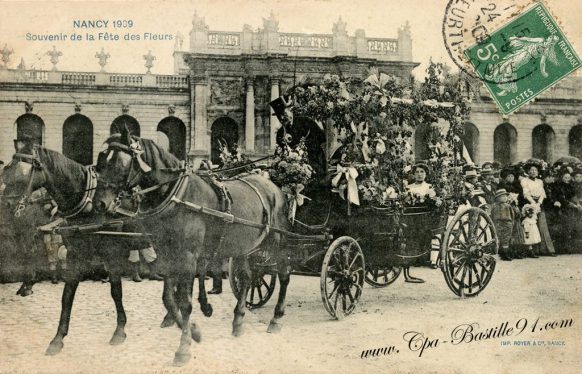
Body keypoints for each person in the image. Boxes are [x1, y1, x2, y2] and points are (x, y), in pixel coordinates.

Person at [402, 163, 441, 284]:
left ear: (426, 174)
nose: (419, 174)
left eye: (422, 172)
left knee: (423, 231)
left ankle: (425, 258)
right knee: (409, 233)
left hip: (425, 217)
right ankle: (412, 258)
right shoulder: (408, 187)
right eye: (417, 172)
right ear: (413, 174)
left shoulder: (430, 187)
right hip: (411, 217)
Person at [520, 162, 556, 256]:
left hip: (539, 204)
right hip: (529, 203)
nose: (533, 172)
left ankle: (547, 250)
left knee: (543, 225)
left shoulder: (540, 181)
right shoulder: (524, 180)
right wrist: (533, 204)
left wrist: (539, 203)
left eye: (535, 170)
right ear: (528, 171)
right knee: (531, 227)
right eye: (531, 170)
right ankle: (532, 250)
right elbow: (526, 193)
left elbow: (542, 194)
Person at [491, 189, 514, 261]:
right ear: (498, 198)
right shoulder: (495, 206)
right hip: (498, 223)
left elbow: (512, 215)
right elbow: (493, 215)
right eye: (502, 196)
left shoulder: (508, 206)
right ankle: (501, 253)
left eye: (505, 196)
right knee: (499, 237)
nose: (505, 198)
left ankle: (505, 253)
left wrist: (511, 222)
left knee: (506, 239)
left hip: (507, 223)